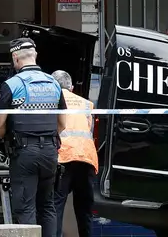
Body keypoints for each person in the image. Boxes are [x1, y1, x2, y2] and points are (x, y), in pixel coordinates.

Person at [0, 38, 66, 237]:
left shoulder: (11, 84)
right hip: (51, 152)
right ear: (35, 56)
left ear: (15, 57)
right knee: (48, 206)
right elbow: (62, 124)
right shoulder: (54, 83)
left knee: (25, 207)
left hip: (24, 153)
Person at [51, 70, 98, 237]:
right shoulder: (87, 104)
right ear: (71, 87)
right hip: (86, 159)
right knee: (84, 209)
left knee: (56, 206)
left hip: (63, 158)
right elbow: (90, 130)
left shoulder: (52, 101)